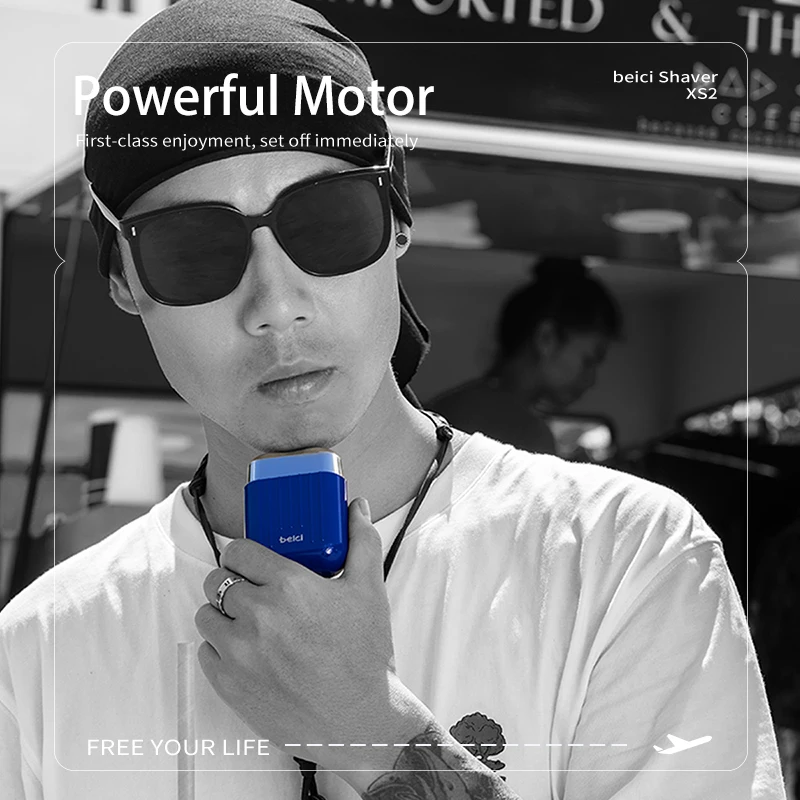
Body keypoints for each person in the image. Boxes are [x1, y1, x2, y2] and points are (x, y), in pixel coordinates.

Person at [0, 2, 786, 798]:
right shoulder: (42, 651)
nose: (276, 305)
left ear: (397, 221)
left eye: (326, 222)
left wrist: (374, 734)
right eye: (193, 250)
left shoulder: (621, 560)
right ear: (123, 280)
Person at [429, 258, 621, 454]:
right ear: (546, 338)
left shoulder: (446, 407)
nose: (592, 380)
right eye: (589, 360)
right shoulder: (530, 435)